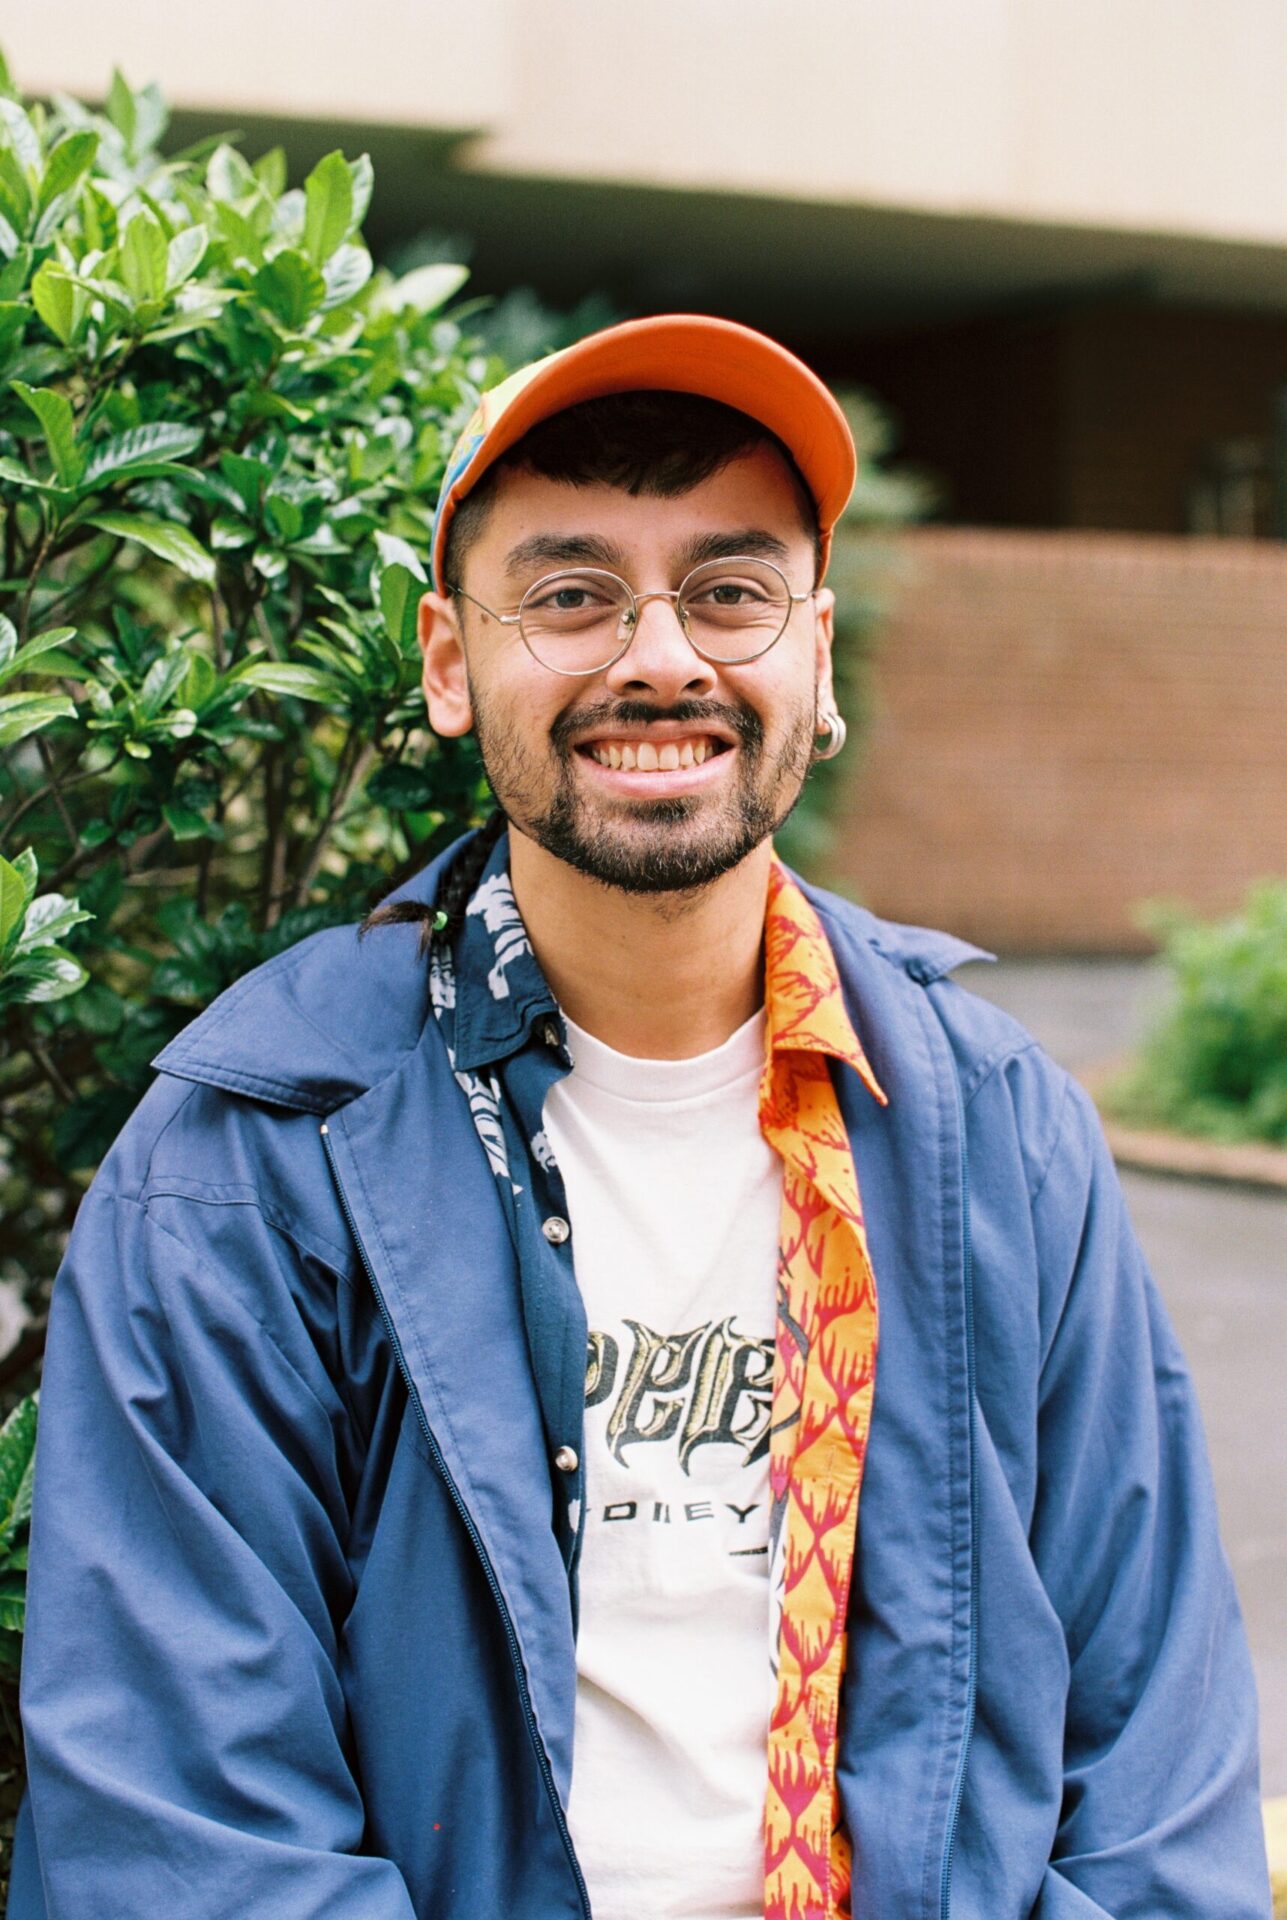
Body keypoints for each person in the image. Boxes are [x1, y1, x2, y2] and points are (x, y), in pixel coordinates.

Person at [11, 315, 1270, 1920]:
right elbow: (183, 1834)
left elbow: (1157, 1771)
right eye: (570, 594)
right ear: (451, 664)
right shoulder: (248, 1163)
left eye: (730, 592)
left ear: (816, 658)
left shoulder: (997, 1130)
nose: (660, 654)